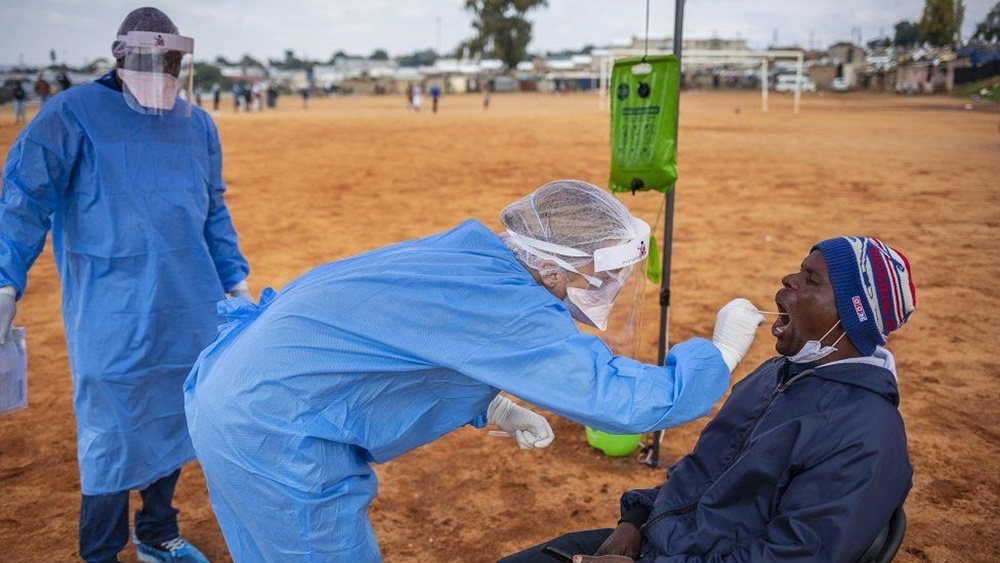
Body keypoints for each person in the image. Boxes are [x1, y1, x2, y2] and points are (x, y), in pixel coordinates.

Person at [183, 179, 764, 562]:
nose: (605, 287)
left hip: (234, 388)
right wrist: (718, 354)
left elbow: (405, 338)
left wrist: (488, 405)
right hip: (273, 429)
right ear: (557, 267)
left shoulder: (475, 257)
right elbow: (621, 400)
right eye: (598, 270)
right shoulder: (511, 303)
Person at [0, 7, 251, 563]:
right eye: (151, 58)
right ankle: (101, 551)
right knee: (110, 429)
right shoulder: (71, 114)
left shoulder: (197, 124)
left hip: (188, 300)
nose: (160, 68)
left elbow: (212, 210)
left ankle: (158, 530)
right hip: (109, 306)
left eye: (170, 59)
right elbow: (21, 199)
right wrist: (4, 282)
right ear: (121, 56)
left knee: (174, 412)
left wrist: (235, 283)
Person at [499, 236, 916, 563]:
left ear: (851, 315)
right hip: (665, 543)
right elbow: (702, 470)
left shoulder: (863, 434)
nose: (788, 280)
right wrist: (636, 521)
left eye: (811, 280)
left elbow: (795, 554)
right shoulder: (776, 375)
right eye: (798, 270)